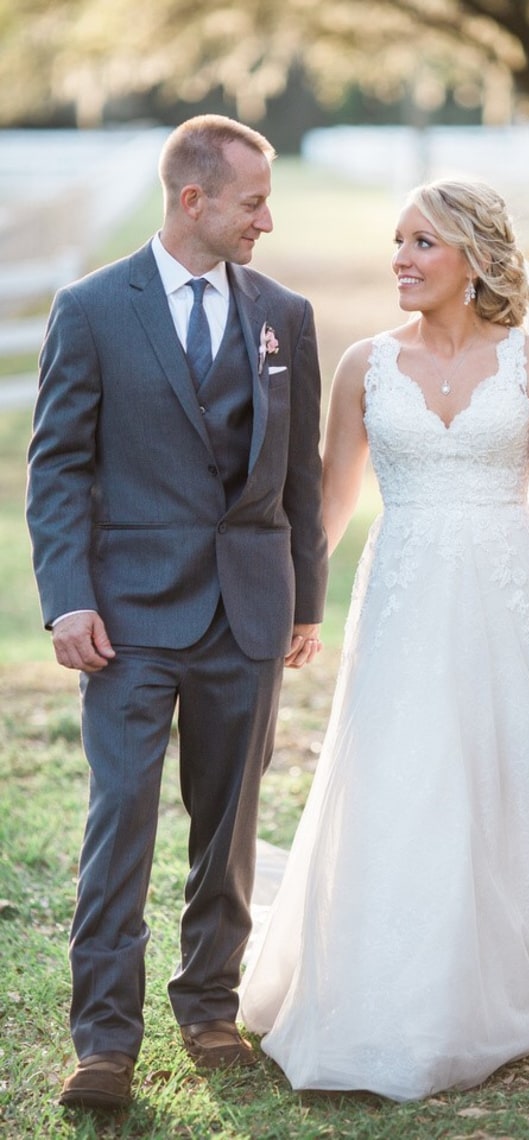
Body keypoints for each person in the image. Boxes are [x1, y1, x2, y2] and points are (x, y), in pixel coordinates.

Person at [238, 179, 529, 1101]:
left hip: (515, 590)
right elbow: (332, 501)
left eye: (422, 242)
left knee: (511, 763)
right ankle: (400, 950)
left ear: (474, 257)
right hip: (406, 596)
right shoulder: (363, 365)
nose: (400, 257)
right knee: (411, 767)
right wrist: (291, 603)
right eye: (396, 241)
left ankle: (518, 938)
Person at [25, 114, 328, 1111]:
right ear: (193, 200)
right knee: (121, 822)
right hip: (126, 621)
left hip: (247, 612)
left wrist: (305, 602)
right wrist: (67, 599)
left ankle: (208, 1006)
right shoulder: (92, 308)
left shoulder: (285, 313)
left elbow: (298, 478)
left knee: (228, 823)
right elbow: (59, 467)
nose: (267, 221)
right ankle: (102, 1042)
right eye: (252, 203)